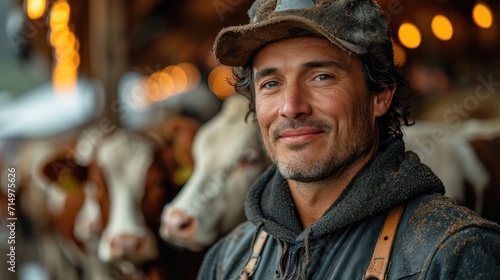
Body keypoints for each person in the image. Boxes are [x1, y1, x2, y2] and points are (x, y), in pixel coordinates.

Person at [198, 0, 500, 279]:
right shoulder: (227, 260)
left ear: (380, 95)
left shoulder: (452, 253)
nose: (291, 107)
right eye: (271, 83)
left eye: (321, 77)